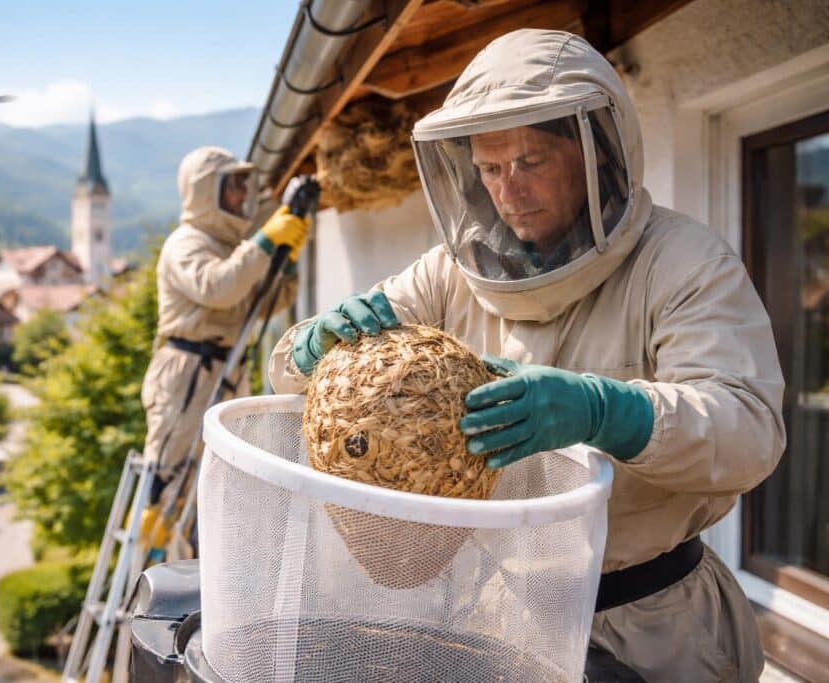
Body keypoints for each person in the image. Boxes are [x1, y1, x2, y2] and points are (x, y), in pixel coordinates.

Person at [269, 29, 784, 682]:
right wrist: (311, 347)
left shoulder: (684, 262)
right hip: (501, 615)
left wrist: (607, 409)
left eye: (532, 160)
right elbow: (295, 376)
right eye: (490, 167)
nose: (507, 188)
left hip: (656, 627)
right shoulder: (448, 274)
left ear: (595, 154)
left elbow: (751, 430)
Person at [142, 146, 308, 502]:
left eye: (242, 186)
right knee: (175, 475)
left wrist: (286, 262)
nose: (242, 195)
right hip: (188, 373)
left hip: (227, 369)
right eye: (233, 186)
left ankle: (204, 553)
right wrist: (264, 242)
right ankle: (156, 540)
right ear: (206, 192)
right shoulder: (187, 243)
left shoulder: (229, 248)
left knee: (224, 479)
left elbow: (262, 307)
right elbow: (218, 288)